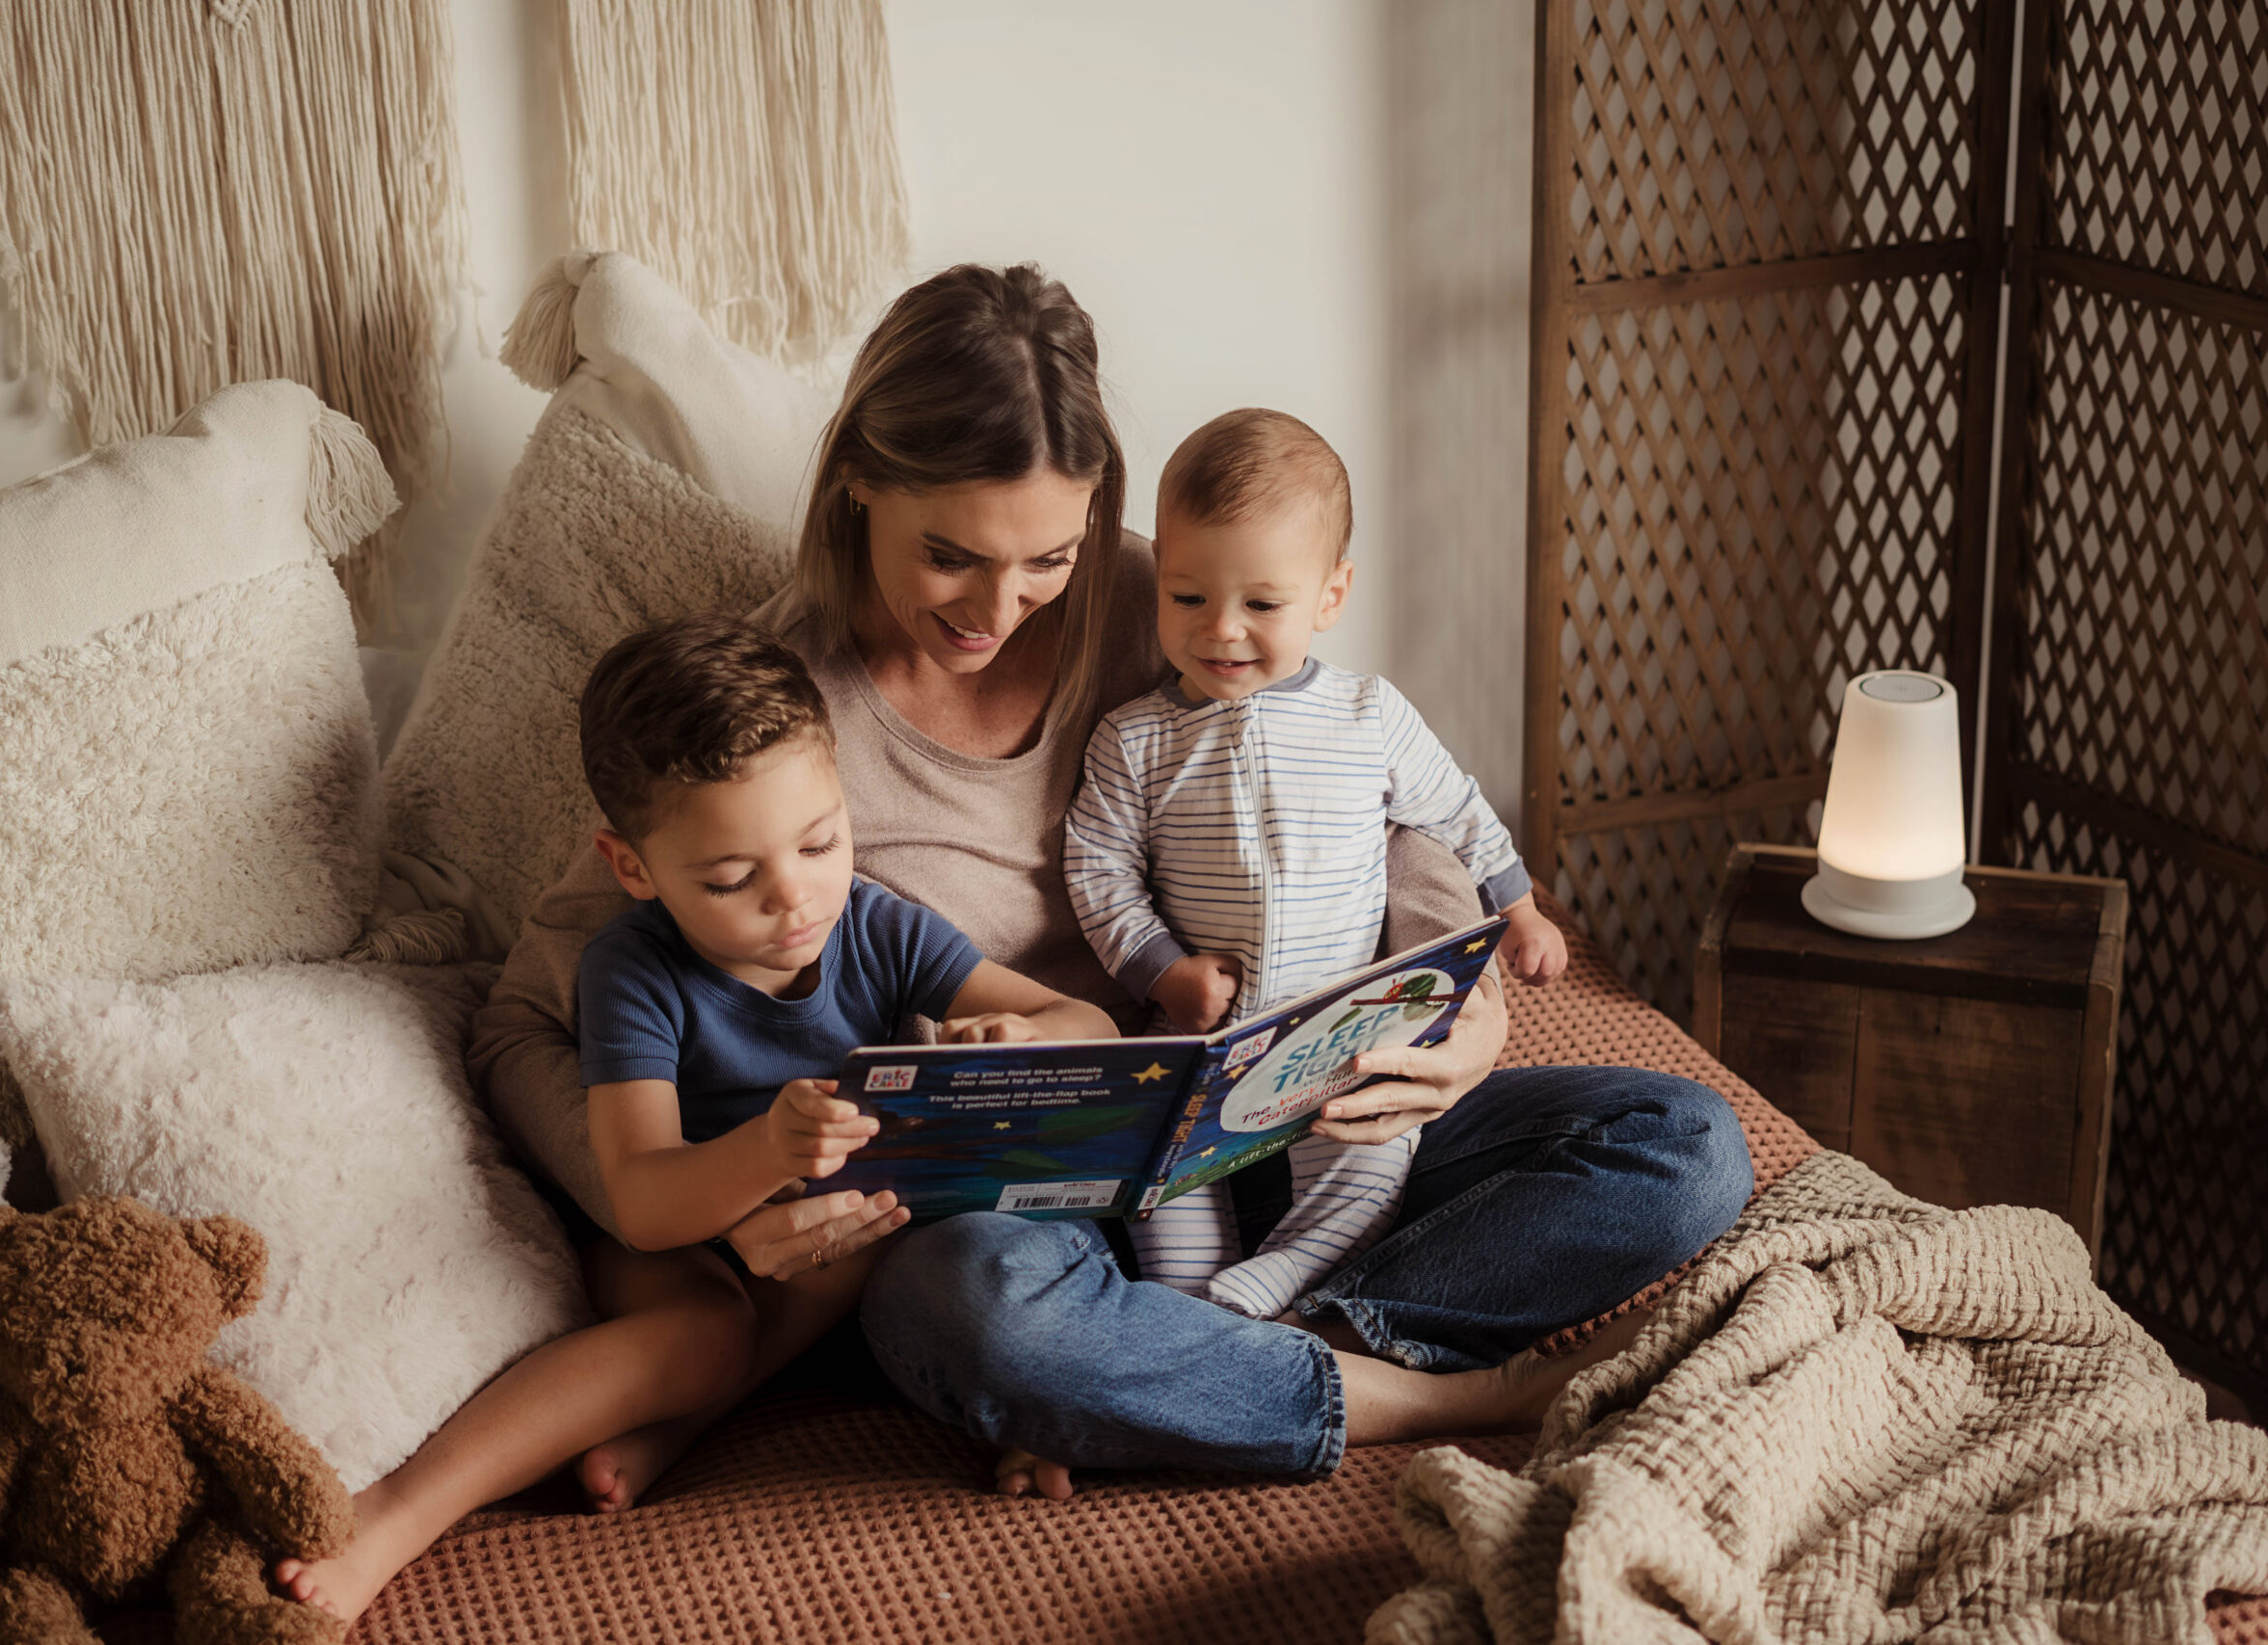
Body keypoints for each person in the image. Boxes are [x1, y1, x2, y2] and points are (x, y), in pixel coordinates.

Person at [467, 261, 1753, 1512]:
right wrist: (707, 1217)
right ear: (856, 479)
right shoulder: (777, 732)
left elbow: (1357, 787)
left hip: (1285, 1111)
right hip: (1034, 1214)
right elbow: (518, 1018)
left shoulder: (1168, 595)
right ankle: (1399, 1388)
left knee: (1686, 1145)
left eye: (1049, 558)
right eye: (953, 555)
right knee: (981, 1317)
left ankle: (1252, 1342)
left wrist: (1462, 1014)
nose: (1003, 606)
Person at [275, 615, 1114, 1618]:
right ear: (632, 867)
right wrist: (767, 1149)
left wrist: (1024, 1037)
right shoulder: (633, 971)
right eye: (729, 879)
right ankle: (401, 1511)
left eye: (820, 840)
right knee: (707, 1330)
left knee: (896, 1223)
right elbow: (643, 1202)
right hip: (678, 1243)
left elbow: (1087, 1023)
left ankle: (686, 1426)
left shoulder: (877, 923)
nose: (795, 898)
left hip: (829, 1248)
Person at [1064, 408, 1569, 1320]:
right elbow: (1098, 873)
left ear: (1330, 595)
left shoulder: (1368, 715)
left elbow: (1456, 812)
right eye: (1188, 598)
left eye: (1262, 604)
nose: (1222, 630)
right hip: (1198, 1045)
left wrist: (1521, 908)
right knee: (1153, 1188)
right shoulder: (1133, 739)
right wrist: (1162, 971)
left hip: (1341, 1037)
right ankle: (1188, 1309)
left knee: (1372, 1172)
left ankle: (1262, 1293)